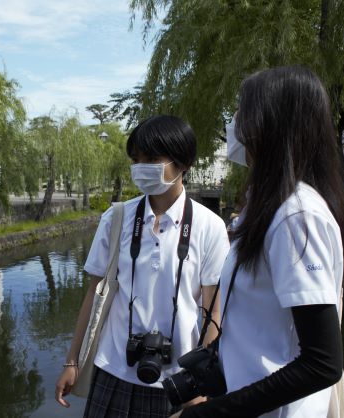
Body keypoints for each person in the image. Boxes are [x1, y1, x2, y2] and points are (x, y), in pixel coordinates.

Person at [177, 66, 344, 417]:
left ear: (271, 123)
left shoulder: (297, 217)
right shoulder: (268, 205)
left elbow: (322, 363)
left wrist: (212, 413)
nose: (235, 121)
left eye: (243, 109)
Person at [55, 115, 230, 417]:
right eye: (136, 159)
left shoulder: (209, 226)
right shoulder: (116, 218)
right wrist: (72, 361)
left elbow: (212, 312)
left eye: (151, 158)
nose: (140, 168)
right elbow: (93, 295)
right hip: (113, 369)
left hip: (178, 379)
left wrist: (201, 382)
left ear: (183, 162)